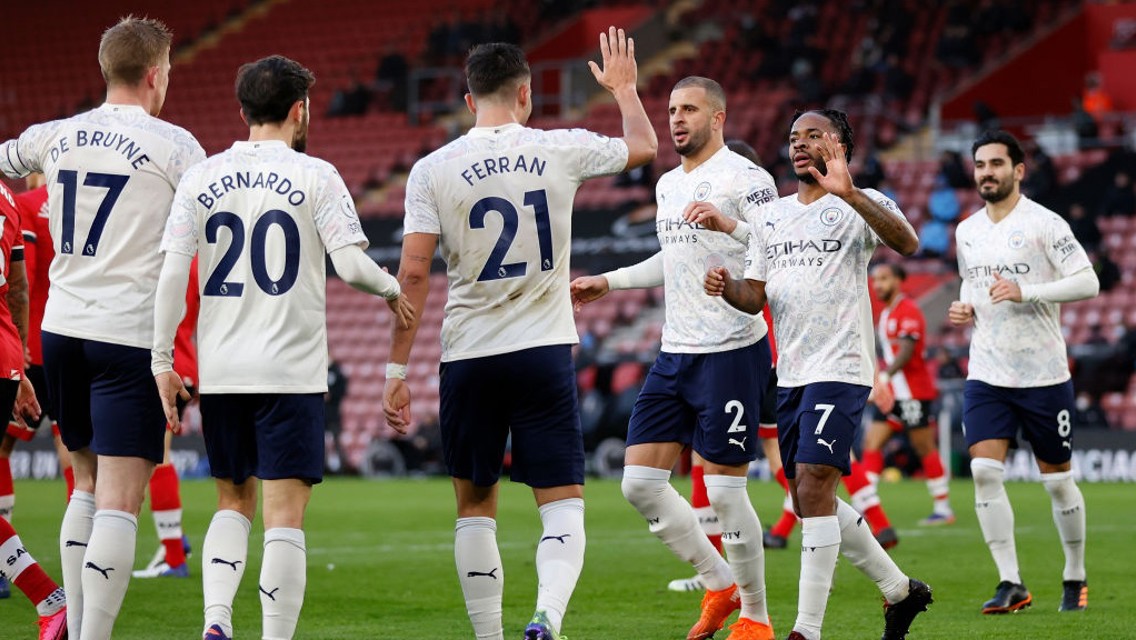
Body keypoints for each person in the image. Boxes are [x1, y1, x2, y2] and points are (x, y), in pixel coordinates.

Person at [383, 31, 656, 640]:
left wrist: (395, 372)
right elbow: (643, 145)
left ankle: (489, 636)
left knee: (475, 507)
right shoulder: (558, 147)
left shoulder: (431, 169)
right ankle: (546, 619)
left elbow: (414, 273)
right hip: (542, 351)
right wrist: (624, 90)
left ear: (467, 98)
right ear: (526, 93)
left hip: (470, 355)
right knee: (561, 503)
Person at [151, 54, 412, 640]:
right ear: (300, 109)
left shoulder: (202, 177)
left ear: (243, 110)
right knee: (284, 516)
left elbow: (171, 276)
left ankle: (216, 622)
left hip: (222, 372)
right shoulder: (316, 175)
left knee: (230, 501)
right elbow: (350, 265)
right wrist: (393, 290)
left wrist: (161, 361)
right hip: (290, 372)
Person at [1, 17, 206, 639]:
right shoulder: (178, 147)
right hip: (128, 334)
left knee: (84, 483)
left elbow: (6, 162)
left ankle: (70, 623)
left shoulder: (52, 136)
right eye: (167, 70)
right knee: (120, 497)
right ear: (153, 74)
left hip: (61, 329)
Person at [704, 109, 932, 640]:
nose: (799, 144)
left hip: (842, 366)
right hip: (792, 374)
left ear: (841, 145)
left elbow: (908, 244)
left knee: (813, 482)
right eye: (793, 138)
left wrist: (850, 193)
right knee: (810, 498)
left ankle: (806, 630)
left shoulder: (861, 201)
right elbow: (754, 295)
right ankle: (901, 592)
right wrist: (726, 286)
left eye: (813, 135)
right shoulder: (773, 217)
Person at [571, 76, 777, 640]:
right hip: (675, 351)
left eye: (689, 109)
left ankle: (757, 618)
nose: (677, 118)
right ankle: (719, 584)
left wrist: (729, 235)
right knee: (638, 483)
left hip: (733, 350)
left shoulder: (748, 178)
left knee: (726, 491)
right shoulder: (666, 185)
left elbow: (775, 244)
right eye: (671, 110)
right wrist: (609, 282)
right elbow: (673, 256)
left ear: (719, 117)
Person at [948, 129, 1099, 614]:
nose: (986, 172)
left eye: (996, 164)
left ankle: (1074, 574)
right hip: (988, 372)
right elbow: (971, 284)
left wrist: (1028, 291)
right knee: (984, 471)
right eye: (980, 165)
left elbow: (1088, 282)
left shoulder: (1045, 223)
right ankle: (1010, 581)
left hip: (1043, 374)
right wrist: (964, 307)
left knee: (1056, 481)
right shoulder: (966, 230)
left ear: (1018, 170)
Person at [0, 178, 68, 640]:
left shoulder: (22, 199)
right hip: (14, 355)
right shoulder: (7, 197)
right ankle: (53, 596)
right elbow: (18, 289)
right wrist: (20, 368)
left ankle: (50, 597)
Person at [863, 263, 954, 525]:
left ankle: (943, 508)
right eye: (875, 280)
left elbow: (906, 351)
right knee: (872, 444)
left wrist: (884, 376)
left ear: (899, 280)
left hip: (913, 392)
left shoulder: (909, 309)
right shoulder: (887, 313)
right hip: (892, 394)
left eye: (884, 279)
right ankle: (866, 503)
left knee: (923, 446)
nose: (878, 285)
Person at [134, 259, 200, 579]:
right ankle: (175, 543)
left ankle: (174, 554)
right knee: (157, 455)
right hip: (185, 362)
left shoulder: (158, 256)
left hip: (161, 365)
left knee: (156, 458)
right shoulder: (199, 260)